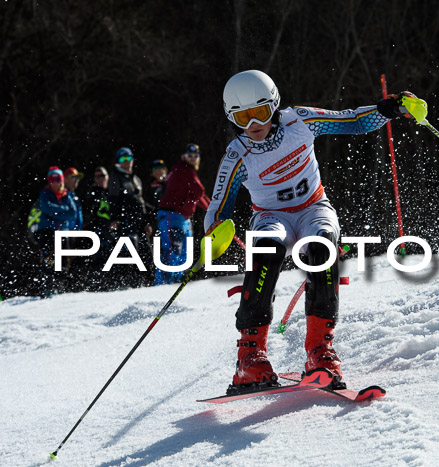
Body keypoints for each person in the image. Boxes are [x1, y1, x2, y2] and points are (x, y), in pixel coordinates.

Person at [204, 70, 417, 393]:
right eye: (242, 118)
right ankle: (250, 357)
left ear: (274, 105)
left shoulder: (299, 122)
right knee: (266, 250)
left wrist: (392, 108)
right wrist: (214, 233)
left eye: (259, 113)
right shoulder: (237, 155)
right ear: (231, 118)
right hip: (271, 217)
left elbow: (353, 120)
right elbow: (217, 208)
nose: (253, 126)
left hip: (313, 208)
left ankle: (319, 351)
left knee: (321, 248)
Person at [154, 144, 210, 285]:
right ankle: (163, 284)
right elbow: (199, 191)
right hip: (171, 215)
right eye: (189, 155)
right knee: (173, 249)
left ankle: (175, 282)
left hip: (183, 218)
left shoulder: (188, 172)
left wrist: (214, 211)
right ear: (183, 157)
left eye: (195, 156)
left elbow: (198, 196)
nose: (192, 158)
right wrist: (213, 210)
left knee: (185, 253)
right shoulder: (182, 169)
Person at [108, 147, 151, 286]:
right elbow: (113, 200)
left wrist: (146, 222)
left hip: (139, 221)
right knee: (130, 254)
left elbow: (141, 201)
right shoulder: (115, 177)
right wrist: (115, 218)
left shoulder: (136, 178)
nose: (126, 162)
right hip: (125, 222)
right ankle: (128, 285)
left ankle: (147, 284)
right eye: (123, 159)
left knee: (147, 253)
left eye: (129, 158)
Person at [34, 166, 79, 297]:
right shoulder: (45, 193)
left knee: (63, 262)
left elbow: (72, 213)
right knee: (48, 261)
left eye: (58, 179)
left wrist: (55, 213)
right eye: (52, 179)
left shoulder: (66, 194)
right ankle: (46, 288)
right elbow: (46, 208)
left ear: (62, 180)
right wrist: (62, 211)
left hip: (63, 233)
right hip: (46, 232)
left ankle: (58, 288)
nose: (55, 182)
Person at [83, 166, 117, 289]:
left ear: (107, 176)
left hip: (112, 231)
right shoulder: (93, 192)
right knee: (99, 258)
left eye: (102, 175)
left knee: (115, 256)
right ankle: (97, 285)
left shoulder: (113, 191)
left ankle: (113, 284)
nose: (101, 178)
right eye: (97, 176)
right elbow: (92, 211)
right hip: (97, 230)